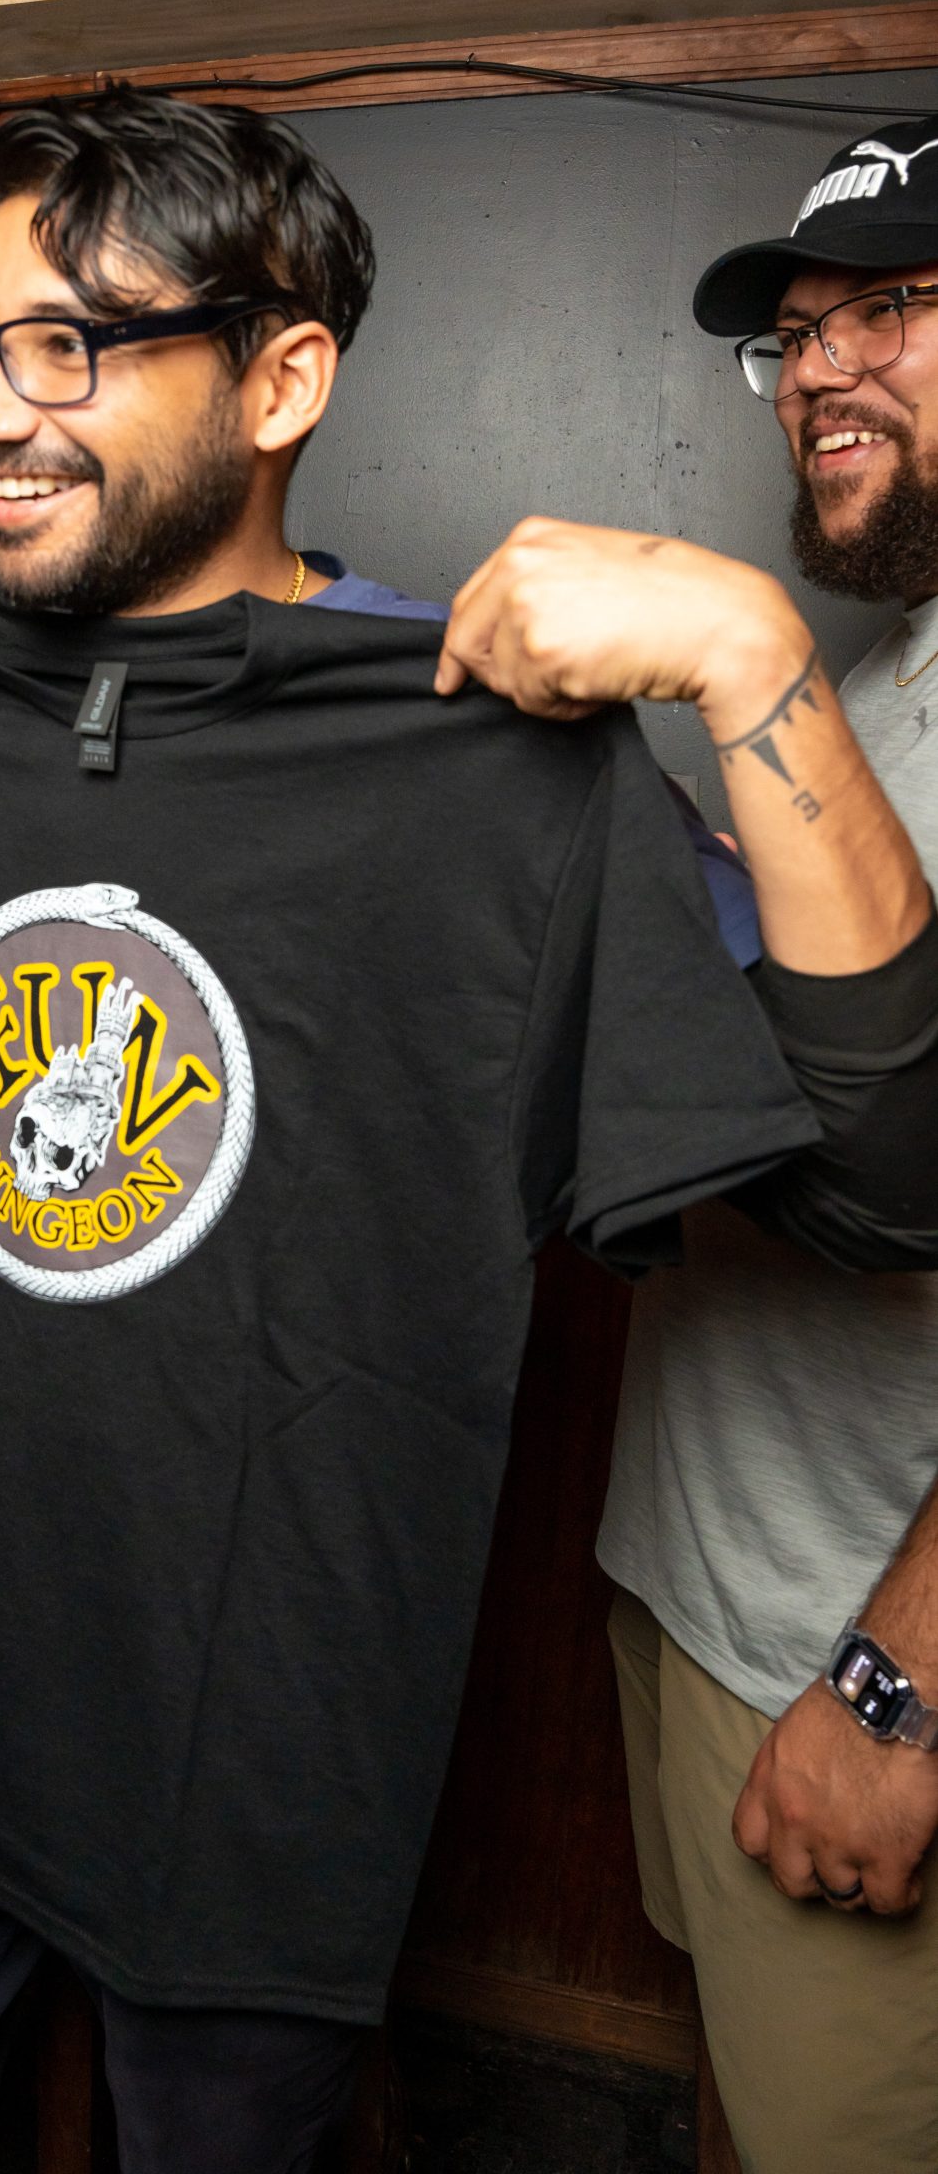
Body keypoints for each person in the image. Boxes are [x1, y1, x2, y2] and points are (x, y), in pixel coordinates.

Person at [0, 89, 937, 2174]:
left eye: (67, 345)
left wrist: (745, 655)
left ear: (281, 382)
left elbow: (886, 1193)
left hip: (254, 1756)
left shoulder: (488, 759)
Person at [593, 114, 938, 2173]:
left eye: (888, 308)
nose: (818, 372)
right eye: (796, 337)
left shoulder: (800, 669)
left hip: (860, 1641)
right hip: (706, 1575)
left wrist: (901, 1687)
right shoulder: (882, 687)